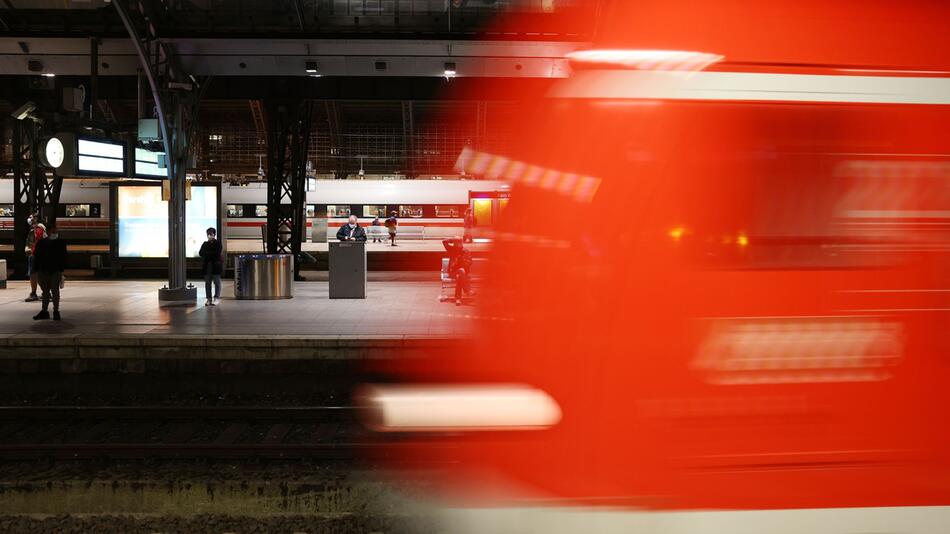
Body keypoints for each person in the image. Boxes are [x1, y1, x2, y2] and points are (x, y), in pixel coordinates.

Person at [32, 222, 66, 321]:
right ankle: (52, 312)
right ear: (50, 231)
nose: (55, 232)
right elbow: (64, 257)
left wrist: (36, 269)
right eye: (54, 231)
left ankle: (48, 311)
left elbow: (36, 257)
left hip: (49, 270)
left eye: (56, 231)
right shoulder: (60, 243)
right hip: (49, 270)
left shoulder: (42, 243)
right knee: (50, 292)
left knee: (50, 292)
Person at [443, 237, 474, 306]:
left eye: (458, 242)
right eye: (455, 242)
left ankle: (458, 299)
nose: (456, 244)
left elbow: (470, 262)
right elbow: (444, 241)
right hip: (453, 271)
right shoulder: (451, 249)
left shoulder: (465, 251)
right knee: (461, 273)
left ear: (461, 243)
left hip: (463, 272)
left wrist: (463, 261)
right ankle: (467, 290)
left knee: (460, 275)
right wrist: (452, 239)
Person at [198, 227, 223, 306]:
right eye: (208, 234)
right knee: (207, 283)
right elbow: (201, 253)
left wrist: (208, 253)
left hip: (215, 266)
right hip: (207, 266)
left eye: (211, 234)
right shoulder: (205, 244)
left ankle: (216, 298)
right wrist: (211, 253)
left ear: (214, 235)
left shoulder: (218, 243)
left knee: (217, 281)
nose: (209, 236)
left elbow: (217, 253)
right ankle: (208, 299)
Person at [24, 217, 45, 302]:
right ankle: (44, 293)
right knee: (39, 274)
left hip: (37, 255)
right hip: (35, 255)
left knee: (36, 274)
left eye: (32, 219)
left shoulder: (39, 230)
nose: (30, 220)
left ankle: (36, 293)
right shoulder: (35, 231)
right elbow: (29, 242)